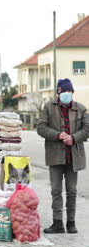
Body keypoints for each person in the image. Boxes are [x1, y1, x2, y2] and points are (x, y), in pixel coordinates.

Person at [37, 78, 89, 234]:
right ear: (58, 93)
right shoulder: (48, 107)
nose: (67, 94)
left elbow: (87, 129)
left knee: (72, 191)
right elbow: (41, 127)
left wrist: (73, 137)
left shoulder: (81, 109)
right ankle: (57, 223)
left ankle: (71, 223)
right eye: (64, 91)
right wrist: (58, 135)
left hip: (74, 156)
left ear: (72, 92)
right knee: (56, 190)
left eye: (70, 91)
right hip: (55, 156)